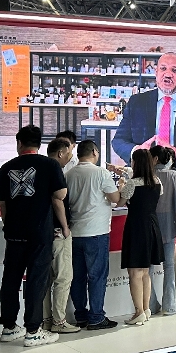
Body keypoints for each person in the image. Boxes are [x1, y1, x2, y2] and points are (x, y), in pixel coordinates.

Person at [0, 125, 69, 348]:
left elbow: (3, 204)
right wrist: (64, 226)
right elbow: (60, 195)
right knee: (36, 280)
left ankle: (9, 326)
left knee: (11, 279)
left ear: (19, 143)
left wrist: (10, 225)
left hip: (14, 233)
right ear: (39, 144)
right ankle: (33, 330)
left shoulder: (6, 167)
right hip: (39, 233)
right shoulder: (50, 165)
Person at [65, 140, 119, 330]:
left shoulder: (69, 174)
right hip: (97, 232)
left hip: (74, 233)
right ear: (95, 152)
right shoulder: (101, 173)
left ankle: (81, 316)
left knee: (77, 277)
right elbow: (115, 198)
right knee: (97, 276)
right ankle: (96, 317)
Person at [118, 149, 164, 326]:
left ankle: (138, 312)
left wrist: (121, 186)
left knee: (135, 272)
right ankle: (145, 309)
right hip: (152, 225)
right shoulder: (157, 181)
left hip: (136, 226)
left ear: (136, 163)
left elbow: (120, 202)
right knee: (145, 271)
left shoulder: (132, 183)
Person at [43, 137, 78, 334]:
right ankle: (59, 320)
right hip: (57, 231)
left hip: (43, 232)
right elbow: (58, 199)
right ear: (60, 153)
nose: (69, 158)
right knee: (63, 277)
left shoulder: (39, 168)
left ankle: (46, 319)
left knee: (46, 278)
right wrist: (65, 226)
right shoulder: (55, 169)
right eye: (68, 154)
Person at [150, 145, 176, 316]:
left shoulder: (148, 176)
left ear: (155, 158)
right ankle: (169, 304)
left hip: (150, 225)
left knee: (148, 268)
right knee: (169, 266)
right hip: (169, 224)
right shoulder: (174, 176)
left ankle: (150, 305)